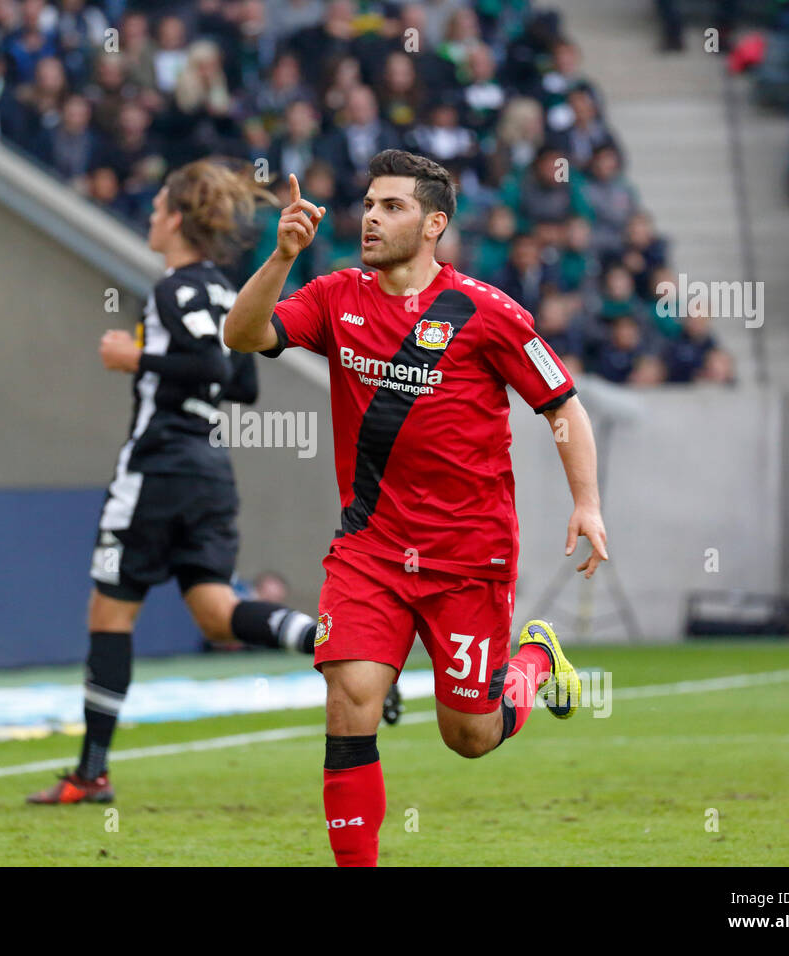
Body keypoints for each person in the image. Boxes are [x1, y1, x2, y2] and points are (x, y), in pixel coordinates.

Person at [224, 150, 608, 866]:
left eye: (392, 206)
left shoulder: (489, 314)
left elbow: (563, 407)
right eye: (369, 203)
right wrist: (280, 258)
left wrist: (587, 504)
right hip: (370, 547)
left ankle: (533, 660)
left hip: (469, 556)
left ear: (433, 224)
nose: (371, 217)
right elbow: (241, 335)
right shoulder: (337, 296)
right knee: (351, 696)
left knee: (469, 736)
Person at [25, 159, 340, 807]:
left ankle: (91, 774)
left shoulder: (174, 289)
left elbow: (200, 362)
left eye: (158, 205)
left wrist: (134, 356)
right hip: (209, 469)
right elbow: (243, 383)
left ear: (176, 218)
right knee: (214, 611)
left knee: (110, 611)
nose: (149, 215)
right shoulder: (228, 291)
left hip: (157, 467)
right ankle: (331, 645)